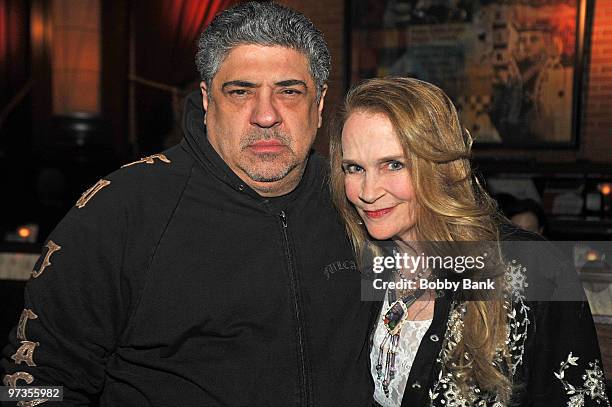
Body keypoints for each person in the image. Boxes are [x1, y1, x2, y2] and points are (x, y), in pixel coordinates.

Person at [1, 3, 374, 405]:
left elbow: (440, 297)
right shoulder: (122, 209)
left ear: (318, 106)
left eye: (289, 91)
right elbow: (32, 383)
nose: (266, 115)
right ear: (207, 100)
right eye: (240, 91)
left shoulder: (361, 199)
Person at [329, 77, 609, 406]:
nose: (368, 191)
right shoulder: (356, 261)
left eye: (393, 164)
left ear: (439, 166)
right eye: (354, 168)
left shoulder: (532, 268)